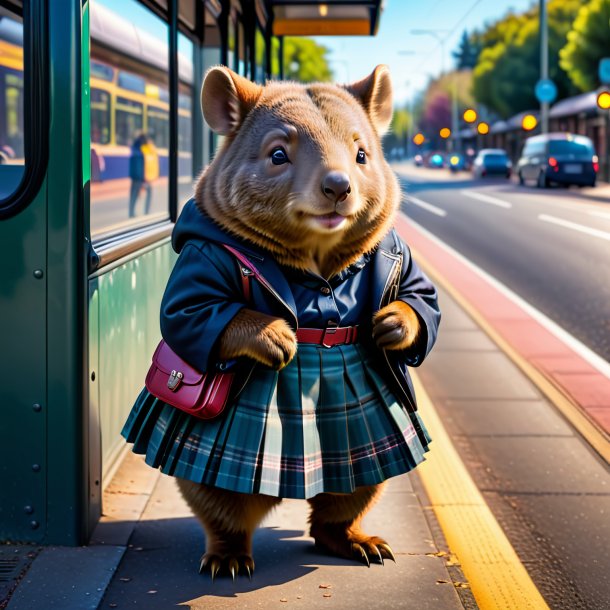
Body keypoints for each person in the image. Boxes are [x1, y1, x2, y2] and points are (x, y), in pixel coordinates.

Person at [128, 134, 158, 217]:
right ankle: (146, 212)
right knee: (147, 193)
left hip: (135, 177)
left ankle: (131, 212)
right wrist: (143, 180)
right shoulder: (143, 151)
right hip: (141, 177)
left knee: (134, 194)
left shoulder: (134, 149)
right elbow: (141, 166)